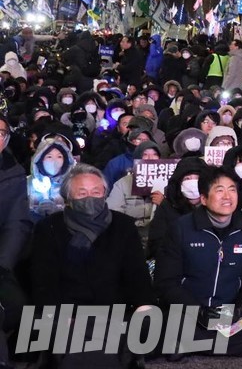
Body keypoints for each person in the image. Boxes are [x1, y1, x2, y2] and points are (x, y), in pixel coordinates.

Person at [154, 166, 242, 357]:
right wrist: (198, 311)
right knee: (155, 322)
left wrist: (241, 308)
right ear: (203, 198)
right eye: (219, 190)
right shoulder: (181, 229)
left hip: (230, 315)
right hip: (190, 313)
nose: (227, 196)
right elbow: (166, 282)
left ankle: (189, 345)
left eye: (232, 190)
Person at [29, 164, 155, 366]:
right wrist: (60, 314)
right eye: (82, 193)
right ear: (68, 198)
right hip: (67, 313)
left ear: (105, 193)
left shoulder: (123, 225)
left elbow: (136, 275)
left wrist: (143, 306)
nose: (90, 198)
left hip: (115, 313)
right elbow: (43, 280)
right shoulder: (49, 228)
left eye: (96, 192)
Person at [0, 115, 29, 369]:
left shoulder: (14, 171)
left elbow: (16, 223)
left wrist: (3, 264)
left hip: (0, 259)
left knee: (14, 308)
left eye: (1, 133)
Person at [27, 135, 76, 222]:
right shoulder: (27, 182)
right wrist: (35, 213)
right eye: (49, 156)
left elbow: (78, 213)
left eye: (59, 157)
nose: (54, 161)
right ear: (40, 159)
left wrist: (58, 212)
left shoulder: (71, 184)